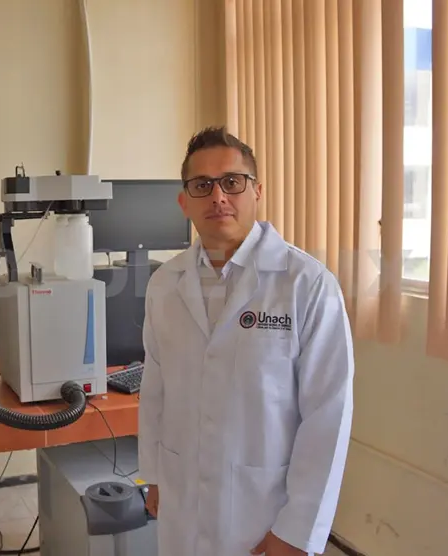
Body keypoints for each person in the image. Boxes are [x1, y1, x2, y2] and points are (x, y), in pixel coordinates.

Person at [137, 126, 354, 556]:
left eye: (232, 182)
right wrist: (153, 476)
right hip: (182, 498)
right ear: (184, 202)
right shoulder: (165, 284)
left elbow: (328, 415)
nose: (218, 196)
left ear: (257, 192)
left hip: (263, 510)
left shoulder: (307, 285)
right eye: (202, 185)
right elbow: (156, 389)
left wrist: (298, 530)